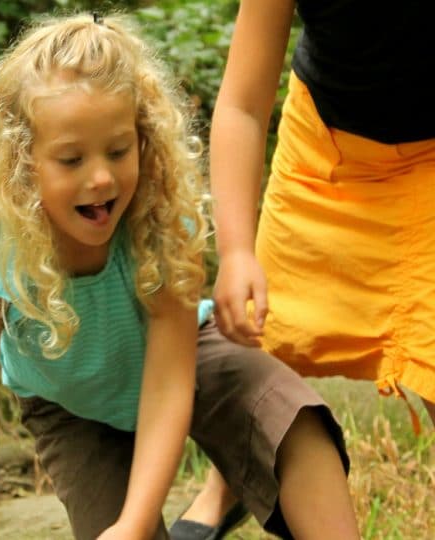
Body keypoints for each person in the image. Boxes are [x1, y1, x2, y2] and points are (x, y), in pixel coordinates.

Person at [0, 12, 359, 540]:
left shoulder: (160, 220)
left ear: (144, 139)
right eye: (70, 159)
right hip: (72, 408)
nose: (102, 177)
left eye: (118, 150)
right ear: (23, 165)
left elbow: (168, 384)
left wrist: (135, 522)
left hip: (183, 361)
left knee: (296, 422)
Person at [178, 0, 435, 538]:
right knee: (262, 341)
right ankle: (227, 485)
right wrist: (238, 252)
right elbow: (242, 106)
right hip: (325, 156)